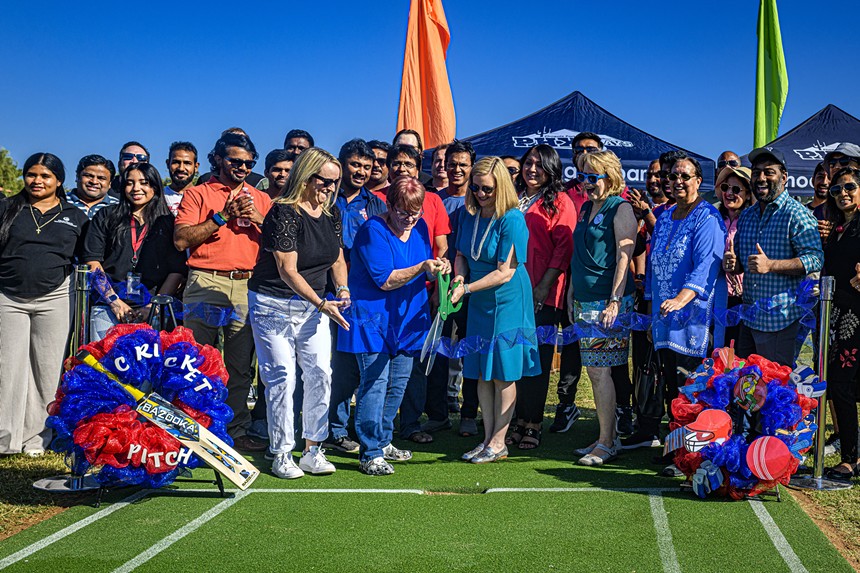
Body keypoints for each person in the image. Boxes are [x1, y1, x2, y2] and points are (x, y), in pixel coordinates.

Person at [248, 148, 350, 479]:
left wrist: (342, 290)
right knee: (282, 376)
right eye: (326, 181)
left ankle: (313, 449)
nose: (332, 188)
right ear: (306, 179)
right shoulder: (283, 213)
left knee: (321, 372)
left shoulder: (332, 214)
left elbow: (337, 258)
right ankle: (281, 452)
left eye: (336, 182)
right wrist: (322, 303)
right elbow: (287, 270)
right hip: (272, 304)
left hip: (315, 306)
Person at [338, 176, 448, 475]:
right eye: (402, 212)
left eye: (415, 212)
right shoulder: (373, 229)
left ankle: (384, 441)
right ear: (390, 206)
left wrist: (440, 268)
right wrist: (424, 266)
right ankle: (369, 452)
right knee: (375, 384)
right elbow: (385, 280)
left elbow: (425, 265)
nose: (409, 219)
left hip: (408, 319)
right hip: (373, 318)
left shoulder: (422, 227)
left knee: (398, 384)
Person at [174, 132, 273, 452]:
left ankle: (236, 428)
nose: (243, 167)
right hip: (206, 281)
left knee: (240, 365)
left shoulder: (262, 198)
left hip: (248, 284)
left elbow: (279, 243)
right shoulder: (197, 194)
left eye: (249, 163)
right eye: (235, 161)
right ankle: (192, 427)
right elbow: (181, 240)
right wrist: (222, 216)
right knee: (197, 360)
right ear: (217, 159)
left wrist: (259, 218)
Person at [450, 157, 540, 464]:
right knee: (480, 373)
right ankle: (488, 438)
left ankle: (499, 441)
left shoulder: (512, 219)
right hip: (479, 299)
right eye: (474, 187)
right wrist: (459, 278)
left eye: (486, 188)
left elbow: (505, 272)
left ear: (501, 185)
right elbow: (461, 253)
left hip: (507, 301)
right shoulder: (467, 214)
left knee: (503, 373)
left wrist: (467, 289)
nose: (480, 193)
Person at [0, 153, 88, 456]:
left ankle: (36, 440)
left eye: (45, 176)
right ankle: (5, 440)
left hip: (56, 296)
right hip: (7, 296)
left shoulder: (75, 216)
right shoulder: (7, 208)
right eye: (31, 175)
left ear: (59, 181)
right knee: (6, 369)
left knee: (47, 371)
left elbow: (86, 259)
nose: (37, 181)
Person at [643, 157, 725, 475]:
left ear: (698, 180)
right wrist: (653, 313)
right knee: (670, 388)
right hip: (664, 318)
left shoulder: (707, 217)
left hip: (692, 319)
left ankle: (691, 457)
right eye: (672, 175)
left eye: (684, 176)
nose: (677, 181)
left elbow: (706, 265)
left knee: (690, 389)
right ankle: (675, 448)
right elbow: (655, 269)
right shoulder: (663, 217)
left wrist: (681, 298)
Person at [568, 150, 637, 466]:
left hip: (607, 302)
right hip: (585, 300)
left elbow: (624, 257)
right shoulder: (585, 208)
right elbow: (578, 256)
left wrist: (614, 301)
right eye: (582, 176)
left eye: (592, 177)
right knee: (595, 373)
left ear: (610, 177)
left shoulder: (620, 208)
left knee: (599, 371)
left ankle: (607, 442)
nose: (586, 183)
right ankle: (605, 438)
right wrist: (571, 294)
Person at [723, 148, 823, 365]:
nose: (760, 178)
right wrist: (734, 263)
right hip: (749, 319)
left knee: (774, 389)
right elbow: (744, 264)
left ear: (784, 177)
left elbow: (815, 259)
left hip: (780, 321)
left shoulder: (796, 213)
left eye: (769, 172)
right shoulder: (748, 215)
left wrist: (771, 265)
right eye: (756, 172)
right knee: (746, 389)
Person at [509, 145, 575, 450]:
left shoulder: (561, 201)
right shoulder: (514, 198)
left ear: (552, 169)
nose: (532, 169)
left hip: (543, 295)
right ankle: (516, 420)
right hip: (510, 292)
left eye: (539, 164)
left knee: (536, 361)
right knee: (514, 360)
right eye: (528, 163)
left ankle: (533, 423)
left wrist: (543, 287)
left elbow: (564, 250)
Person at [323, 139, 387, 454]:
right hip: (322, 292)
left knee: (353, 366)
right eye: (355, 165)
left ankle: (347, 430)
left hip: (362, 298)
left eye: (366, 166)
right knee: (328, 365)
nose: (361, 171)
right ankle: (326, 429)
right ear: (342, 163)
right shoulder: (324, 199)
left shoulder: (377, 204)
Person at [83, 163, 186, 340]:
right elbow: (92, 261)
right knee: (104, 366)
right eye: (130, 182)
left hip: (153, 309)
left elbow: (176, 270)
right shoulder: (106, 216)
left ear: (155, 187)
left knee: (148, 367)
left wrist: (153, 306)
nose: (136, 188)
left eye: (144, 182)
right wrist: (114, 302)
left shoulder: (168, 223)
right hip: (108, 307)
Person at [433, 140, 481, 437]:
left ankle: (469, 413)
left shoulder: (480, 201)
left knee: (470, 352)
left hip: (472, 288)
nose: (457, 169)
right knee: (438, 353)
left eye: (463, 164)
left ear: (471, 167)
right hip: (438, 289)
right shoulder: (433, 199)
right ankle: (437, 414)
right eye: (452, 164)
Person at [822, 167, 860, 481]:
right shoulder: (838, 227)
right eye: (836, 189)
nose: (842, 193)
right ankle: (852, 453)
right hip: (838, 314)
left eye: (849, 186)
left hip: (856, 317)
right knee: (839, 385)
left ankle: (852, 458)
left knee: (841, 384)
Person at [715, 165, 752, 346]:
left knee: (737, 353)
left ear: (748, 194)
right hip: (716, 297)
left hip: (743, 297)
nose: (729, 193)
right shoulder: (713, 218)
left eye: (736, 189)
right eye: (725, 187)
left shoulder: (751, 221)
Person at [197, 128, 265, 187]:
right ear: (219, 159)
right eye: (236, 162)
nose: (243, 168)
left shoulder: (259, 184)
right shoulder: (202, 184)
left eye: (249, 164)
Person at [66, 155, 119, 219]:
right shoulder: (60, 202)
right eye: (89, 176)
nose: (94, 182)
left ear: (110, 183)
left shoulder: (118, 208)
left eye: (101, 178)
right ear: (77, 177)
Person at [564, 132, 603, 216]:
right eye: (579, 150)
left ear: (601, 153)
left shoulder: (616, 190)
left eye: (591, 150)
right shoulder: (564, 191)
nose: (585, 154)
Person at [163, 142, 200, 214]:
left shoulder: (203, 197)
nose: (181, 168)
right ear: (168, 164)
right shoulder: (157, 197)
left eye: (187, 163)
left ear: (196, 167)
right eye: (176, 162)